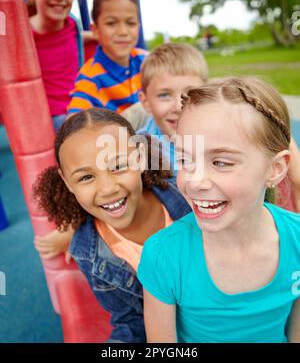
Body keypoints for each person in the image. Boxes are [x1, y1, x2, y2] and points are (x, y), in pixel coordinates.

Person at [137, 76, 300, 343]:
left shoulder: (297, 240)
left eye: (221, 162)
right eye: (184, 159)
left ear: (275, 169)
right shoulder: (163, 255)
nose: (194, 181)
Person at [33, 108, 191, 342]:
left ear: (139, 158)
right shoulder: (90, 254)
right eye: (86, 177)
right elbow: (131, 322)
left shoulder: (188, 198)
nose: (107, 189)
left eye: (118, 166)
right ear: (67, 182)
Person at [66, 0, 148, 129]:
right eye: (111, 23)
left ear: (138, 27)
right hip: (119, 142)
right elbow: (73, 124)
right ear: (96, 30)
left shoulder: (146, 61)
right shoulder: (90, 77)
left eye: (131, 23)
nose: (123, 32)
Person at [25, 0, 91, 131]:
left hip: (78, 104)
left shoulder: (72, 25)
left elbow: (72, 41)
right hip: (47, 116)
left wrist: (99, 36)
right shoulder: (24, 33)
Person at [138, 42, 208, 176]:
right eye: (164, 95)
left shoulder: (220, 134)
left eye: (190, 93)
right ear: (145, 101)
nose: (178, 107)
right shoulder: (140, 151)